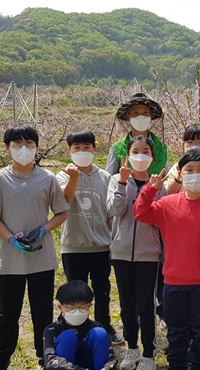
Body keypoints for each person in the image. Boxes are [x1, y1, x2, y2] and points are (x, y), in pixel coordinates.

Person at [134, 148, 200, 370]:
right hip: (173, 281)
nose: (195, 175)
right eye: (189, 170)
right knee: (175, 331)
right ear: (180, 174)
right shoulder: (168, 203)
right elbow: (140, 213)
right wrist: (151, 189)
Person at [0, 125, 69, 370]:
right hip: (10, 260)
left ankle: (46, 359)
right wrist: (11, 239)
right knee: (7, 312)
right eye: (17, 144)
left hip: (41, 258)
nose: (24, 150)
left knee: (42, 311)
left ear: (37, 147)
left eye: (29, 144)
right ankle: (1, 361)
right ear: (7, 148)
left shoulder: (47, 178)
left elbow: (62, 212)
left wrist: (43, 229)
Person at [107, 135, 166, 370]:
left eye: (145, 151)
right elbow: (115, 210)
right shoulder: (116, 180)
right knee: (127, 305)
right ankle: (132, 348)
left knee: (146, 305)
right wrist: (122, 183)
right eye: (135, 151)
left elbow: (160, 219)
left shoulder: (159, 185)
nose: (140, 155)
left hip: (148, 254)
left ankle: (149, 356)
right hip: (121, 252)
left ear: (152, 157)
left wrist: (152, 189)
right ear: (128, 155)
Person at [55, 130, 123, 346]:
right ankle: (75, 328)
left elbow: (110, 213)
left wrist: (114, 241)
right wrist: (74, 178)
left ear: (95, 148)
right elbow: (64, 201)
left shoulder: (105, 177)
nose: (82, 152)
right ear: (69, 151)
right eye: (77, 148)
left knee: (103, 289)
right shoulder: (62, 175)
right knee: (76, 291)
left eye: (87, 147)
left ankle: (103, 325)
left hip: (101, 245)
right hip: (74, 246)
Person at [43, 280, 118, 370]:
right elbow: (50, 361)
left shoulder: (96, 326)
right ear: (60, 307)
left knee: (100, 333)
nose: (77, 312)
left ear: (90, 305)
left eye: (82, 307)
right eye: (71, 308)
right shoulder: (52, 330)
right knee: (67, 337)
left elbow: (112, 358)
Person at [105, 92, 168, 176]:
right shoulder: (117, 149)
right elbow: (108, 179)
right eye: (135, 113)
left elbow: (167, 179)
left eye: (145, 113)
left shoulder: (161, 149)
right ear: (128, 117)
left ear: (150, 116)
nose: (140, 117)